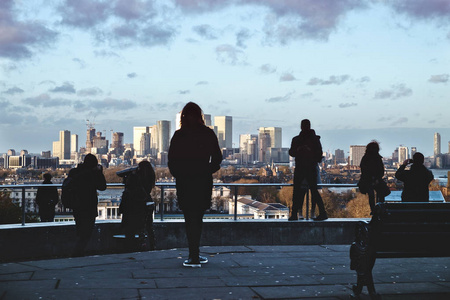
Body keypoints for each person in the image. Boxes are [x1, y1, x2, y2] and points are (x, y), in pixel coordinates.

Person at [168, 102, 222, 268]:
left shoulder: (179, 135)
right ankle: (195, 254)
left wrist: (180, 174)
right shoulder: (208, 134)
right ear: (201, 116)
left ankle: (193, 254)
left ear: (183, 116)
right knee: (197, 218)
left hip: (185, 182)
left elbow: (171, 161)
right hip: (202, 181)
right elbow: (218, 158)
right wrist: (206, 170)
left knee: (188, 217)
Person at [288, 119, 328, 221]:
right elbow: (319, 156)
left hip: (300, 168)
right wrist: (310, 153)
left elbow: (291, 153)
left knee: (297, 192)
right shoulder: (315, 140)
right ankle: (322, 213)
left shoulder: (296, 139)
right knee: (314, 192)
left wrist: (299, 150)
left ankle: (294, 215)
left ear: (301, 126)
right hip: (311, 168)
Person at [68, 154, 106, 257]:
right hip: (89, 206)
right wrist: (99, 173)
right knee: (87, 231)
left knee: (80, 230)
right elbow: (102, 186)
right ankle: (77, 252)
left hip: (76, 205)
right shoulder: (92, 174)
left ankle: (77, 252)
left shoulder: (74, 172)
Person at [120, 160, 156, 252]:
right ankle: (151, 246)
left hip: (134, 205)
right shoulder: (150, 177)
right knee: (148, 227)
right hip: (146, 203)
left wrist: (131, 175)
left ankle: (131, 247)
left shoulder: (136, 178)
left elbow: (128, 185)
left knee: (131, 228)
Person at [359, 141, 385, 213]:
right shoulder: (378, 158)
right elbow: (381, 170)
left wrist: (370, 178)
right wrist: (377, 178)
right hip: (376, 181)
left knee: (371, 195)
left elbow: (364, 170)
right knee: (380, 194)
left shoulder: (365, 158)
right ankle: (379, 209)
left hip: (367, 181)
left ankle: (373, 210)